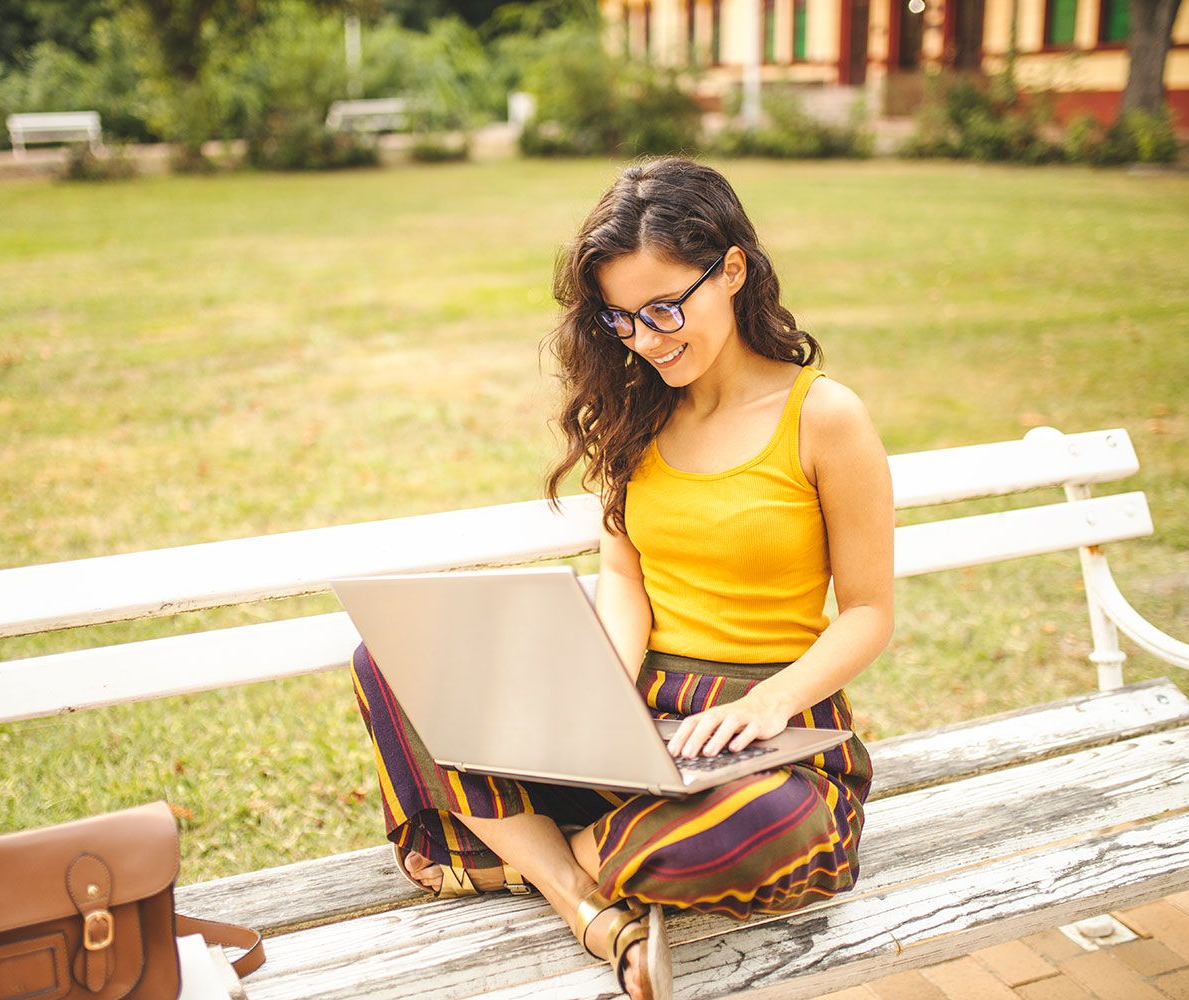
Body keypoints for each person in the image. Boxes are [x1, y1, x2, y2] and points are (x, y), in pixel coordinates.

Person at [349, 155, 894, 1000]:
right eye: (623, 320)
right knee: (394, 660)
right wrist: (595, 695)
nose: (648, 338)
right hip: (641, 717)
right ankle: (588, 904)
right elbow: (625, 575)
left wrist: (765, 705)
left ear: (734, 269)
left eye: (667, 307)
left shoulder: (824, 416)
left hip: (771, 736)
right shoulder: (638, 414)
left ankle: (522, 853)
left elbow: (867, 613)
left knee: (773, 826)